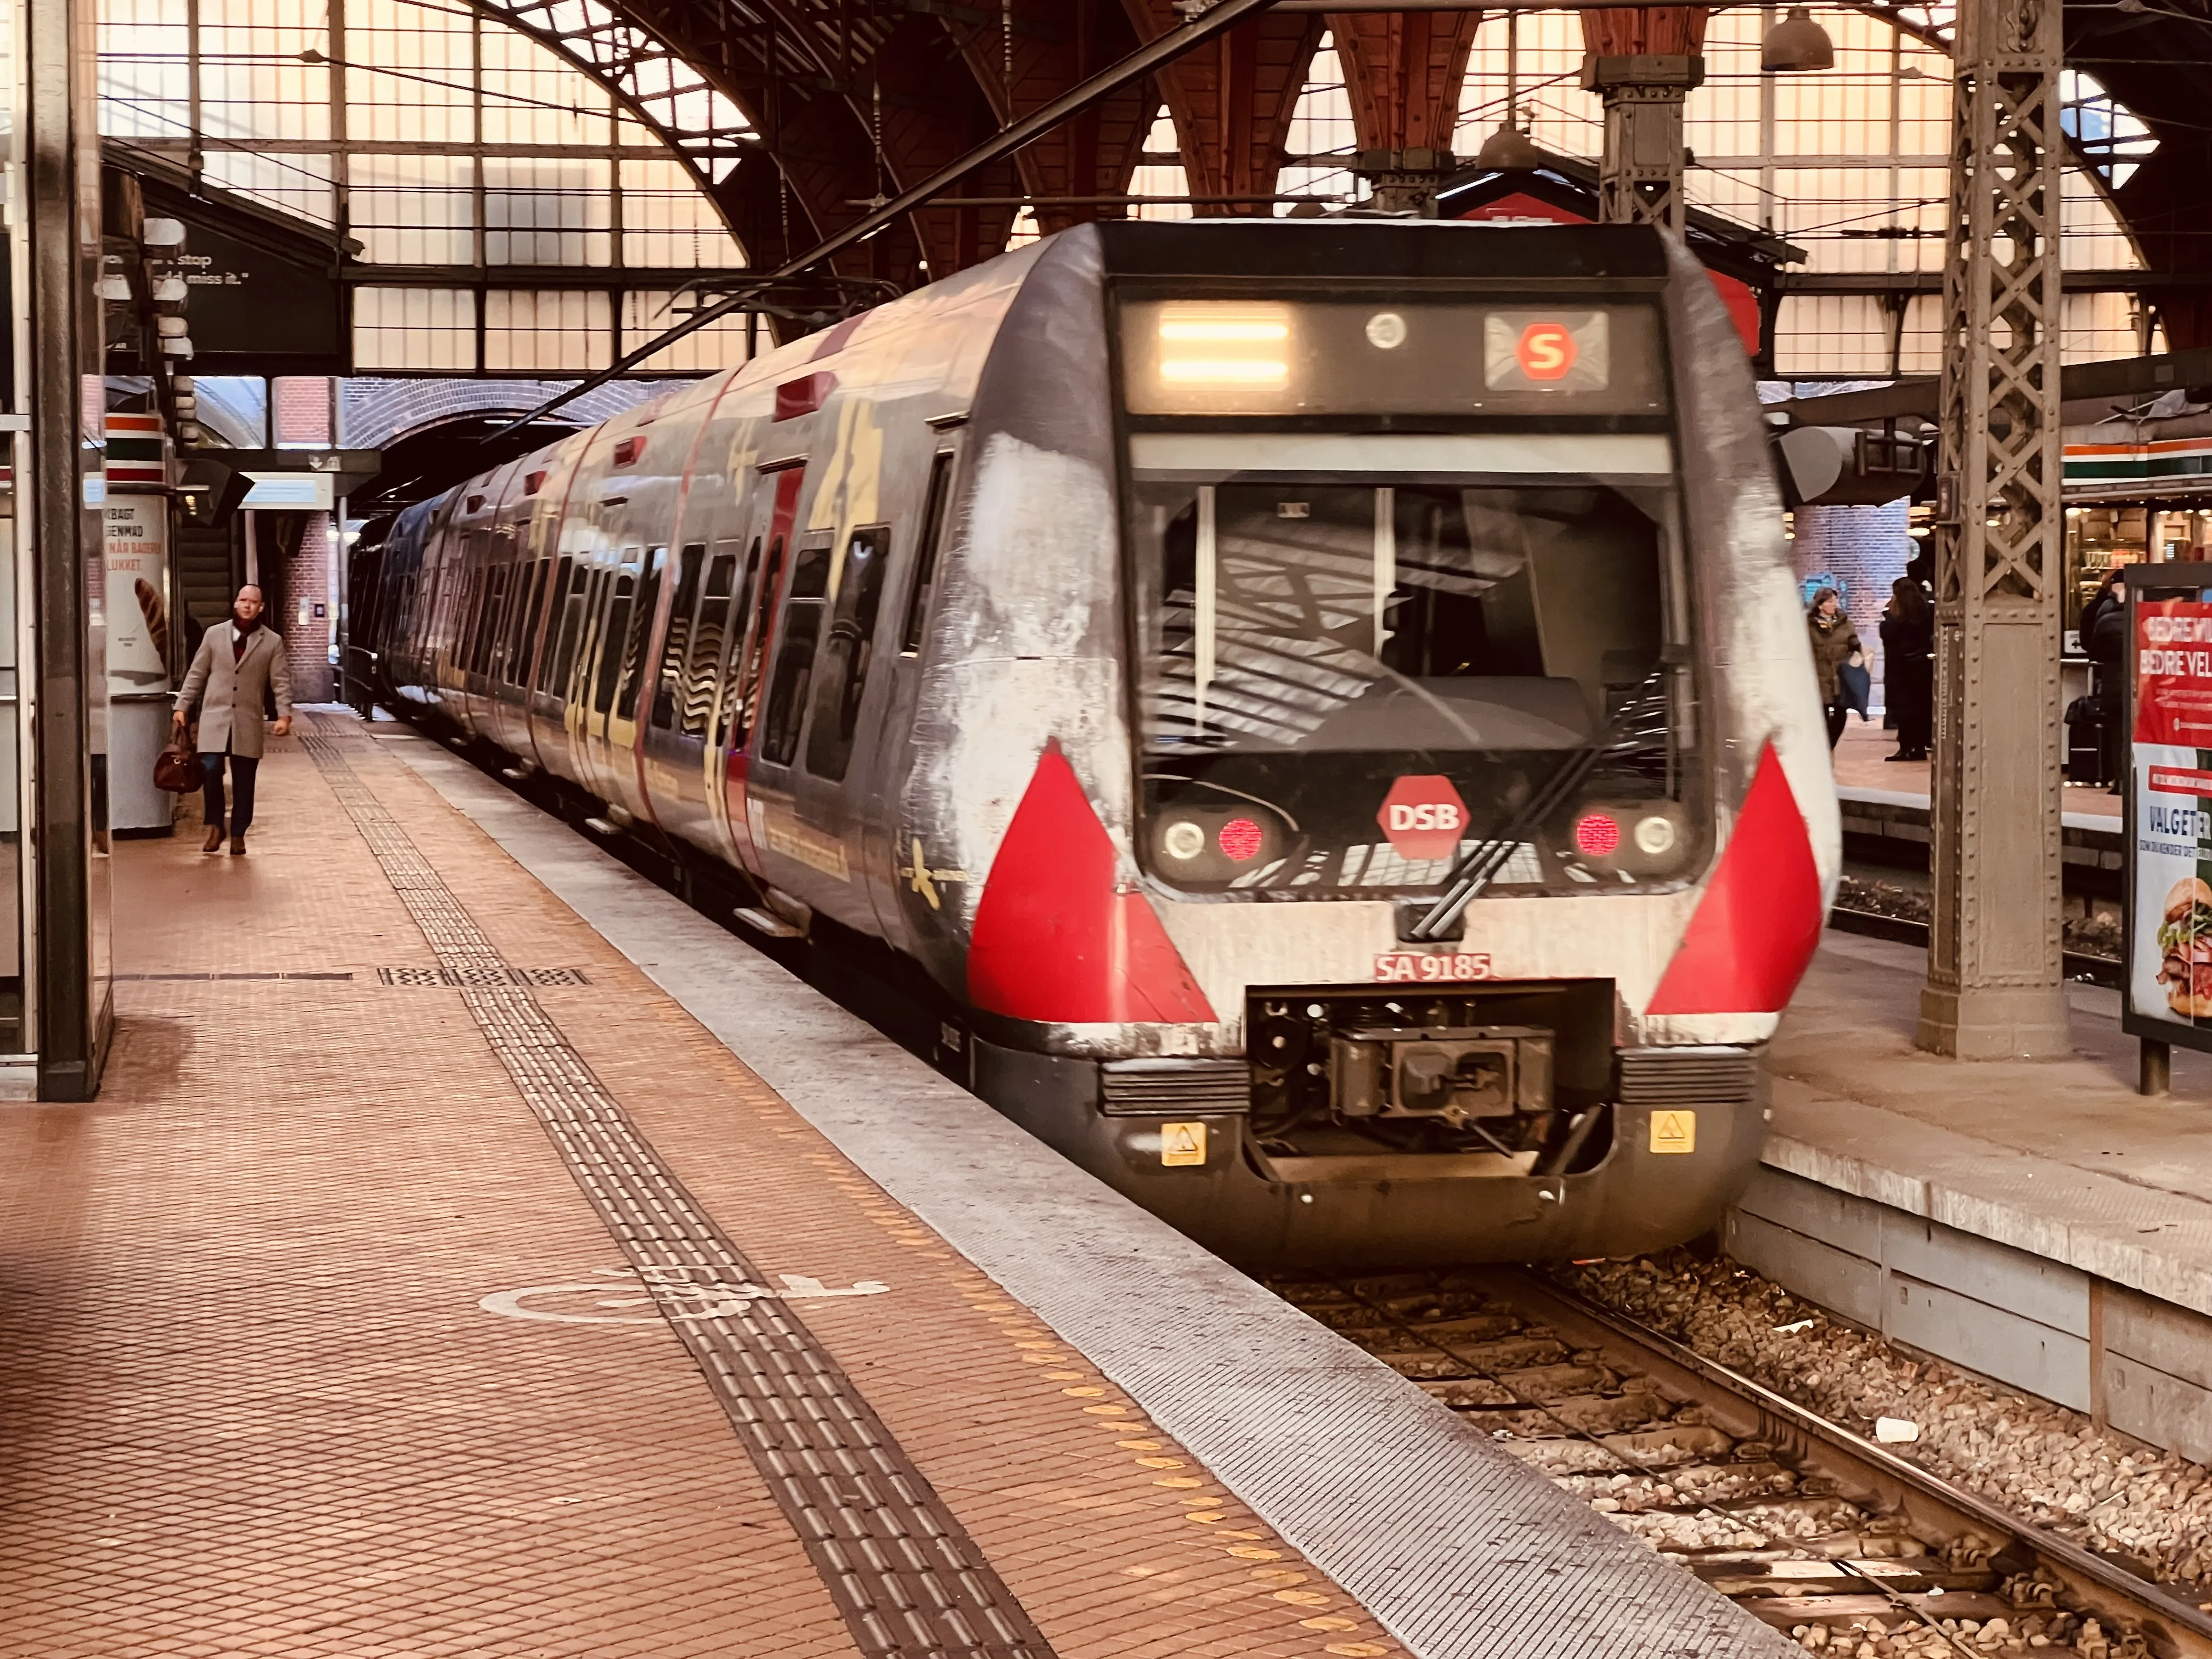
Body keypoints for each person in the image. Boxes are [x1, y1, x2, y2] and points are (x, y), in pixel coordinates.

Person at [174, 584, 294, 854]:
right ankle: (216, 826)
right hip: (215, 718)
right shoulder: (214, 635)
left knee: (244, 779)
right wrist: (182, 705)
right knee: (211, 768)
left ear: (260, 607)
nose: (247, 605)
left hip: (247, 719)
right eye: (243, 600)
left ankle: (239, 833)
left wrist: (284, 714)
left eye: (253, 602)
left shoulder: (272, 642)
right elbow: (197, 673)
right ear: (236, 603)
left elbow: (281, 681)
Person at [1878, 576, 1933, 761]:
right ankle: (1919, 748)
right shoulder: (1926, 610)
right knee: (1919, 709)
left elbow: (1888, 634)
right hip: (1922, 666)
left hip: (1902, 668)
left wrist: (1889, 615)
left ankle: (1907, 748)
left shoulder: (1898, 614)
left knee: (1904, 709)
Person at [1807, 586, 1863, 751]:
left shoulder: (1845, 623)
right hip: (1819, 675)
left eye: (1835, 601)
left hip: (1841, 675)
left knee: (1840, 712)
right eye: (1830, 601)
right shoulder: (1808, 625)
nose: (1834, 604)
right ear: (1820, 604)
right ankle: (1822, 747)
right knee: (1821, 713)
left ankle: (1829, 746)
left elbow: (1855, 645)